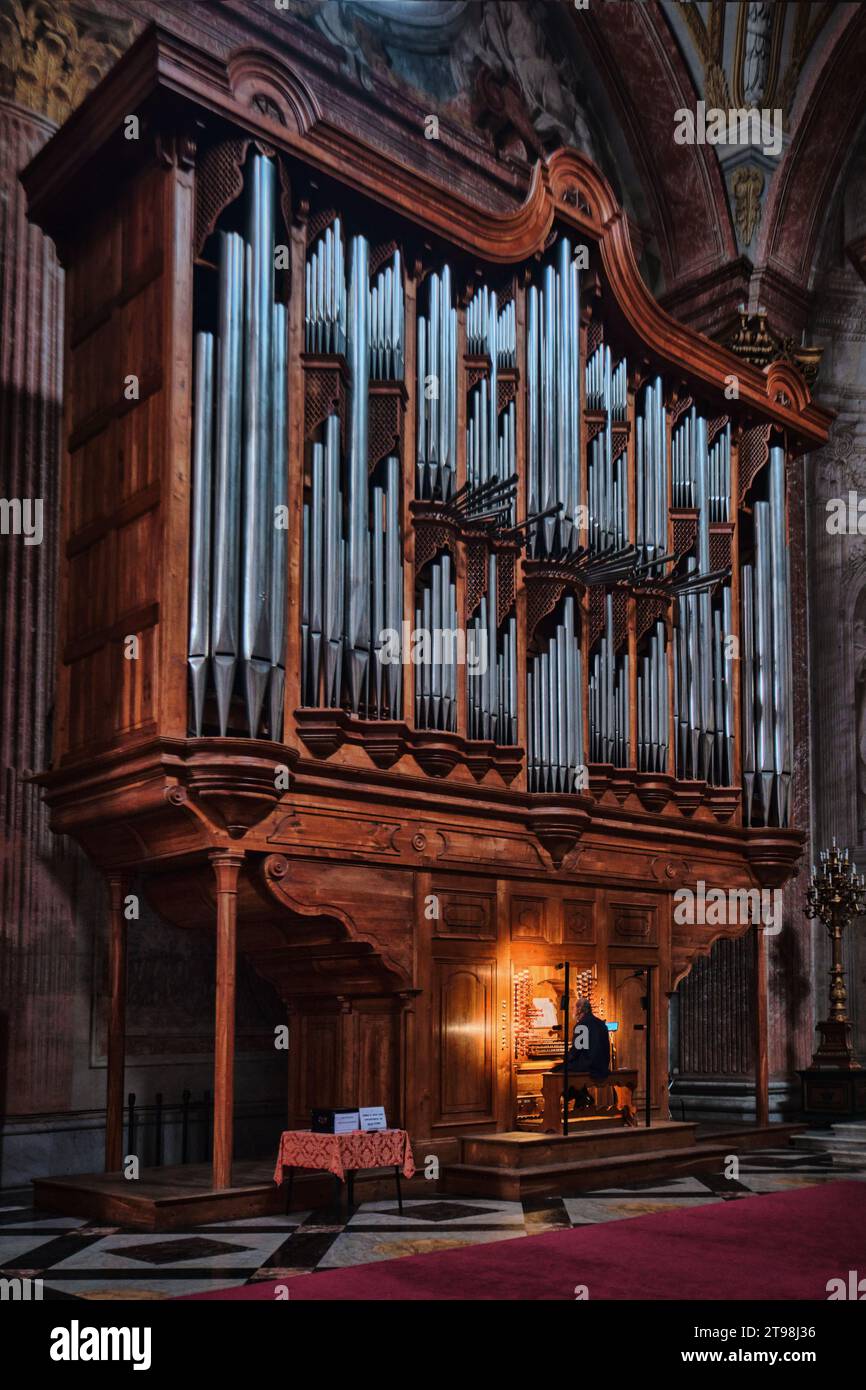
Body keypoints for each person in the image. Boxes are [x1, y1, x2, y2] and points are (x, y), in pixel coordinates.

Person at [550, 997, 610, 1109]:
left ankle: (581, 1096)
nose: (572, 1010)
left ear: (579, 1010)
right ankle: (582, 1097)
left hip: (590, 1065)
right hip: (602, 1065)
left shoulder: (582, 1025)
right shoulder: (601, 1024)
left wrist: (566, 1058)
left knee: (555, 1073)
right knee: (566, 1069)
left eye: (573, 1008)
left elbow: (577, 1049)